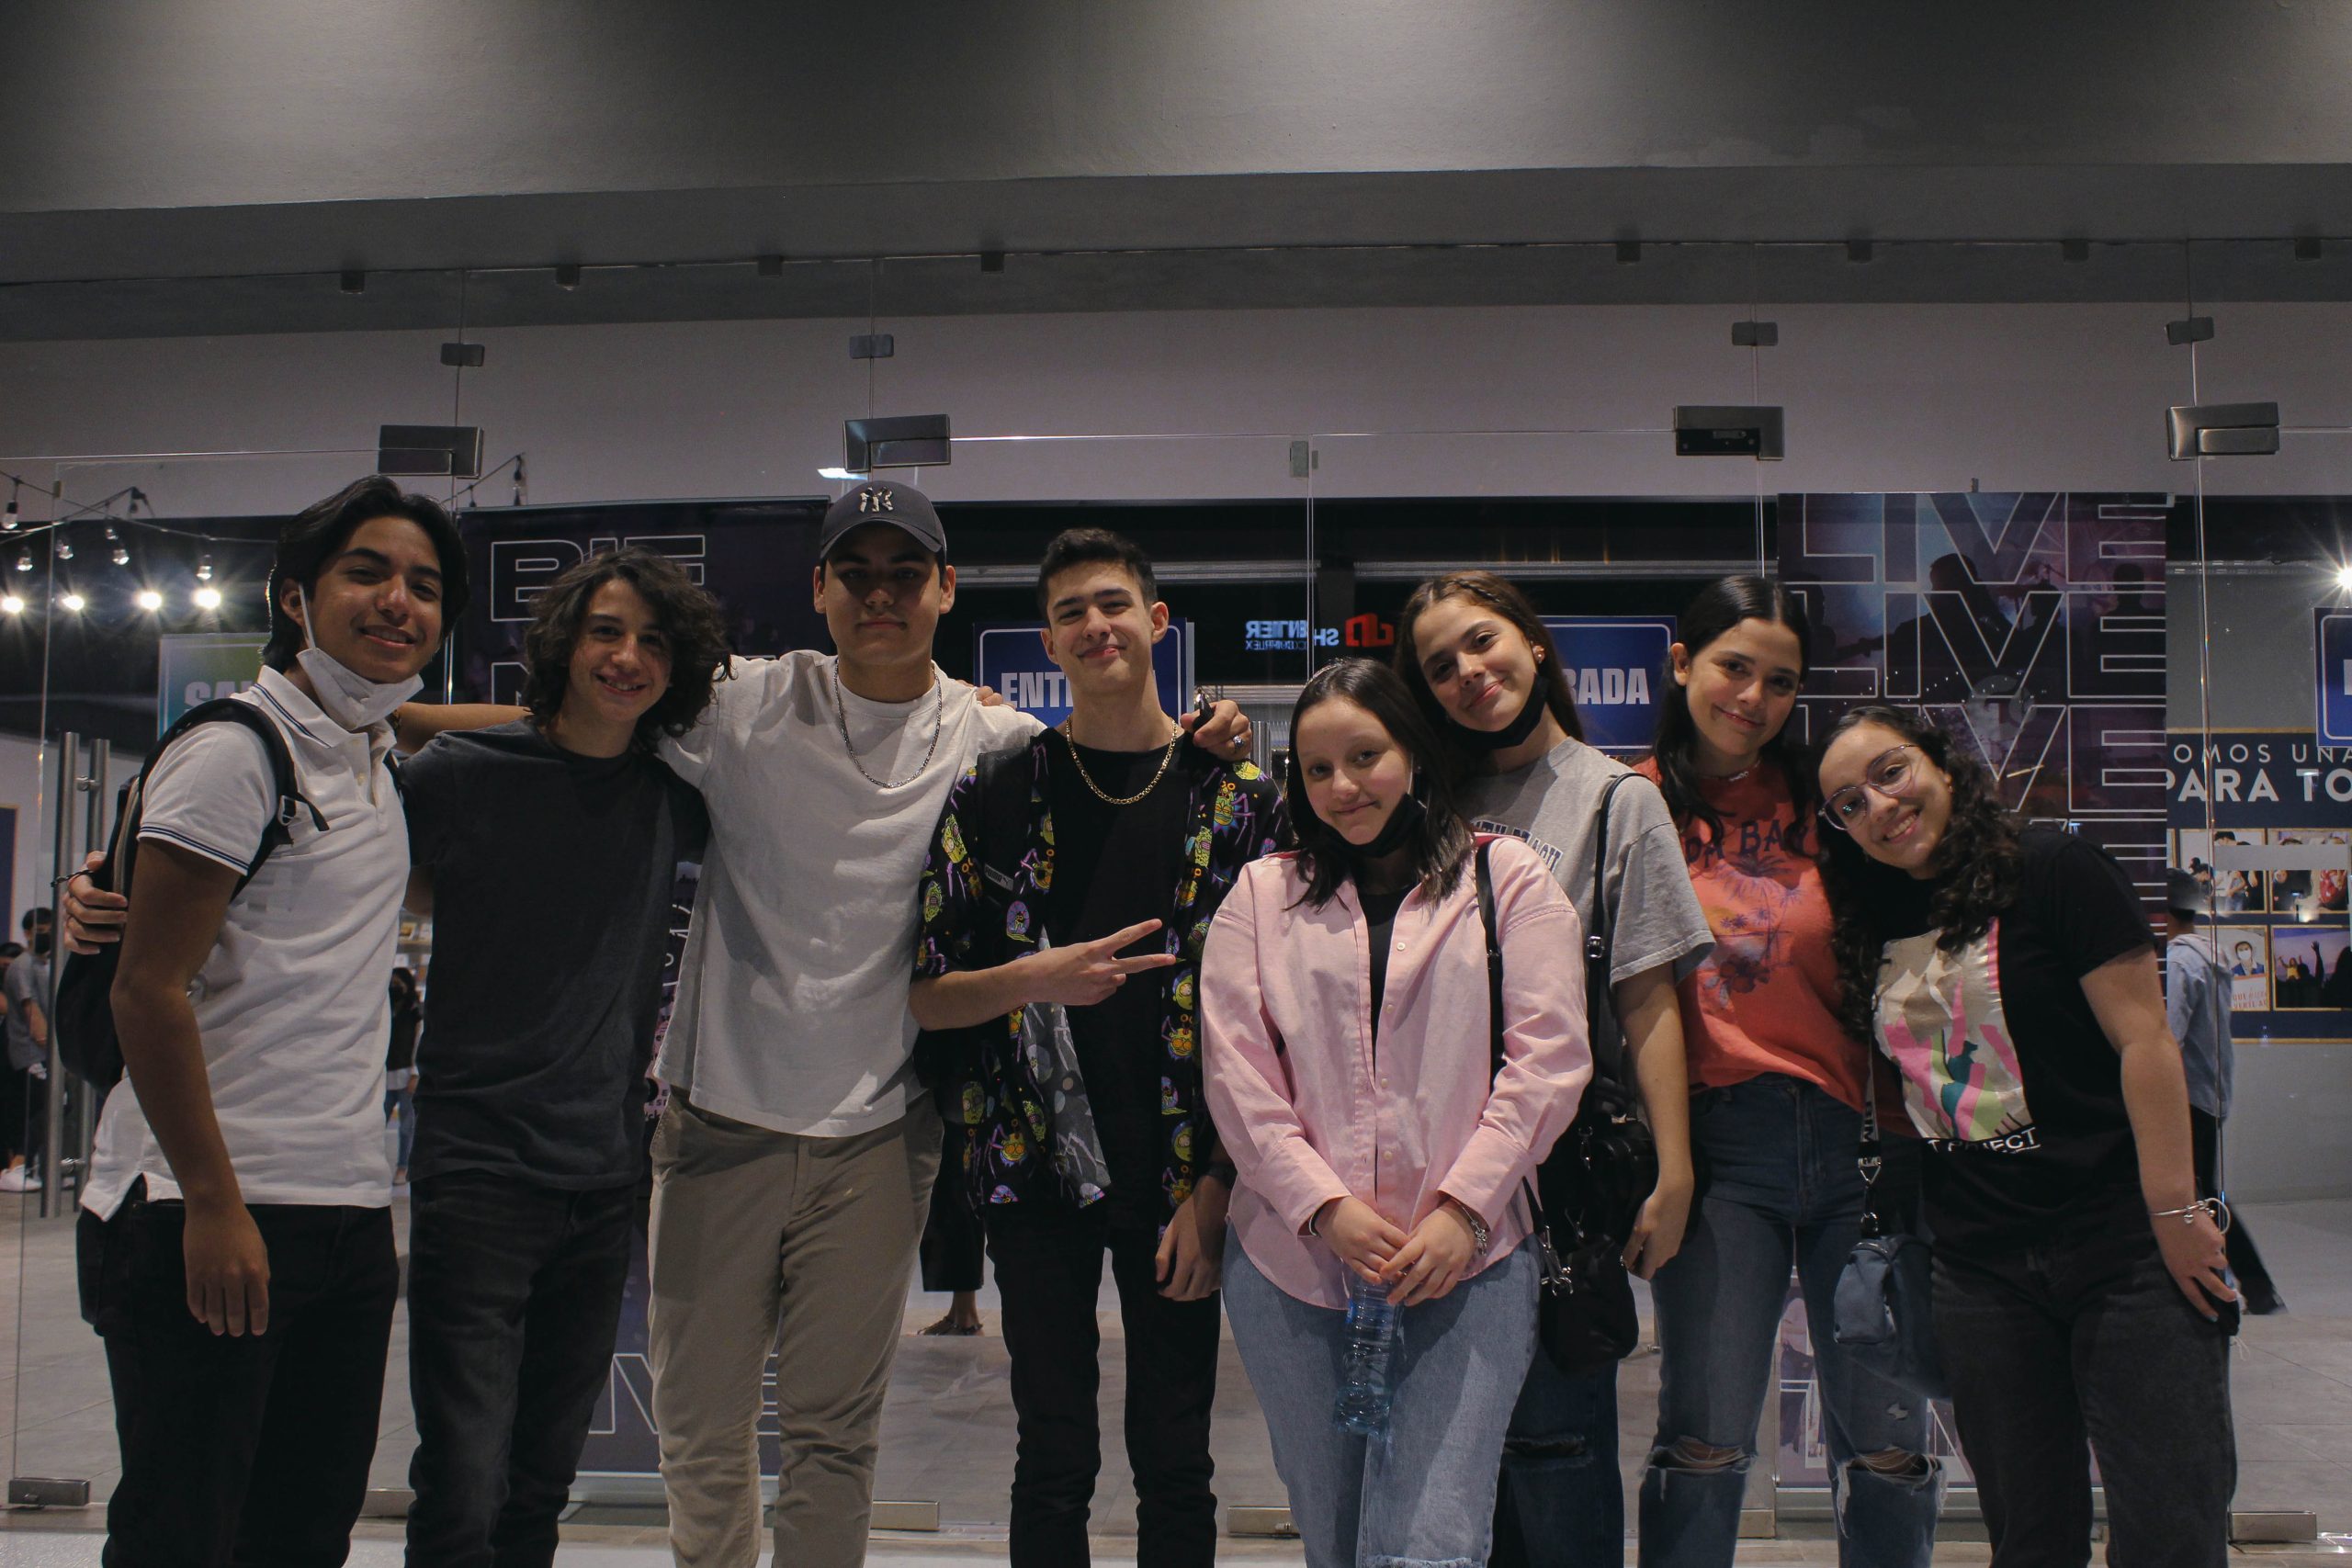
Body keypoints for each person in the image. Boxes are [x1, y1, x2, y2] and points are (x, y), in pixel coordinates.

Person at [77, 474, 468, 1567]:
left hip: (344, 1209)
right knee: (184, 1533)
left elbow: (516, 722)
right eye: (366, 573)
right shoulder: (237, 752)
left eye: (424, 586)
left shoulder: (370, 752)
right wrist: (212, 1202)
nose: (397, 601)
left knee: (301, 1533)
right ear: (293, 597)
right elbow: (146, 990)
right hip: (206, 1203)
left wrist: (609, 702)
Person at [910, 527, 1287, 1566]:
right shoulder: (995, 795)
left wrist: (1218, 1186)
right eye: (1070, 612)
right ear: (1049, 642)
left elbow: (1283, 1022)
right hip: (1034, 1167)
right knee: (1052, 1451)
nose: (1095, 625)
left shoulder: (1238, 803)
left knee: (1176, 1455)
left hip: (1182, 1171)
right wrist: (1037, 978)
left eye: (1113, 603)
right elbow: (928, 996)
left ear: (1157, 622)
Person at [1817, 705, 2236, 1568]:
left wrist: (2176, 1211)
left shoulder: (2054, 870)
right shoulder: (1873, 918)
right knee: (2028, 1535)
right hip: (1979, 1266)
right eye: (1849, 804)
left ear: (1940, 763)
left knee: (2170, 1525)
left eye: (1891, 771)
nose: (1880, 806)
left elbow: (2147, 1043)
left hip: (2122, 1244)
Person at [1201, 658, 1591, 1568]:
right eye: (1317, 768)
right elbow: (1236, 1075)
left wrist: (1465, 1209)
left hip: (1468, 1264)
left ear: (1413, 752)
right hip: (1294, 1265)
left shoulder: (1507, 877)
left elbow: (1549, 1060)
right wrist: (1323, 1207)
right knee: (1336, 1537)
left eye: (1365, 756)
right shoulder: (1261, 895)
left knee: (1432, 1543)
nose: (1342, 785)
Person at [392, 547, 721, 1568]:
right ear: (563, 644)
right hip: (478, 1171)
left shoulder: (672, 796)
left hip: (603, 1175)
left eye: (653, 642)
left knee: (541, 1478)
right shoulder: (459, 776)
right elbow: (331, 869)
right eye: (605, 632)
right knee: (463, 1474)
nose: (628, 657)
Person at [1393, 570, 1713, 1563]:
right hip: (1429, 1174)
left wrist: (1673, 1169)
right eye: (1438, 665)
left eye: (1481, 642)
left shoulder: (1616, 799)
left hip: (1555, 1181)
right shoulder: (1420, 802)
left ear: (1532, 643)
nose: (1466, 672)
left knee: (1552, 1447)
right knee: (1447, 1460)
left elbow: (1646, 996)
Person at [1633, 579, 1942, 1568]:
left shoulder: (1828, 801)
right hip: (1718, 1147)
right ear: (1682, 663)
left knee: (1888, 1441)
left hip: (1863, 1138)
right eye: (1734, 667)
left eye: (1780, 681)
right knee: (1705, 1436)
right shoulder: (1632, 802)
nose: (1753, 697)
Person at [2163, 871, 2284, 1315]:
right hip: (2209, 1092)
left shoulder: (2177, 962)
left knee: (2195, 1198)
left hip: (2185, 1095)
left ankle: (2230, 1291)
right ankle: (2251, 1287)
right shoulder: (2209, 955)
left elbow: (2167, 1038)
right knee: (2203, 1194)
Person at [1, 912, 52, 1192]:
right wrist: (45, 1043)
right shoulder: (23, 966)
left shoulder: (42, 965)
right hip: (31, 1052)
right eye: (41, 929)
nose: (47, 935)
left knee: (52, 1107)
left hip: (42, 1052)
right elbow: (30, 1009)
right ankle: (18, 1164)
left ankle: (36, 1165)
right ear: (28, 933)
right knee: (40, 1108)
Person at [384, 965, 420, 1186]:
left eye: (398, 983)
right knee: (378, 1122)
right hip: (386, 1076)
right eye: (392, 983)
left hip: (406, 1076)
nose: (394, 987)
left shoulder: (414, 1011)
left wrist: (415, 1073)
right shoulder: (386, 1010)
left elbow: (418, 1041)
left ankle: (403, 1167)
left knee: (406, 1127)